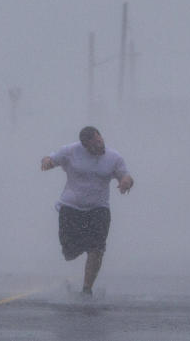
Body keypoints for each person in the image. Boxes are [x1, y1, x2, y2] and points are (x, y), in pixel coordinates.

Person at [41, 126, 133, 297]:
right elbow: (50, 159)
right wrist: (46, 162)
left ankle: (86, 289)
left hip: (99, 208)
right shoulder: (70, 151)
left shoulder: (113, 157)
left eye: (99, 142)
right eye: (93, 145)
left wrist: (126, 182)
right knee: (69, 252)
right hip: (71, 207)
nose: (98, 147)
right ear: (84, 145)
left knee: (97, 248)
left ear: (101, 137)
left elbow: (125, 175)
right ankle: (77, 248)